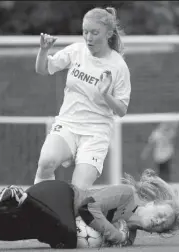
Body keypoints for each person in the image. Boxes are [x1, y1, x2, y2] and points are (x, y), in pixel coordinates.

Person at [34, 6, 131, 189]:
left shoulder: (118, 66)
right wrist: (43, 50)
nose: (89, 37)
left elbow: (122, 110)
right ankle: (39, 210)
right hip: (68, 124)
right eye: (85, 32)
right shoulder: (77, 51)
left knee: (77, 191)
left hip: (95, 133)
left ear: (109, 33)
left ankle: (75, 217)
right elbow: (42, 69)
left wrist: (105, 94)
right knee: (46, 163)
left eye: (95, 32)